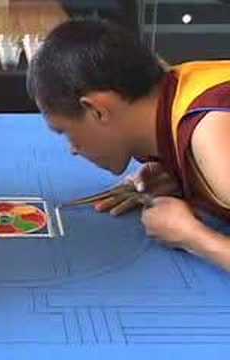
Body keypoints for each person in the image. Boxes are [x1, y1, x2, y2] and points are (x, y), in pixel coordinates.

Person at [27, 18, 230, 272]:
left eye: (66, 132)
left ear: (97, 110)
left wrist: (192, 236)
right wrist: (182, 175)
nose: (73, 149)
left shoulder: (211, 135)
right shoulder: (177, 87)